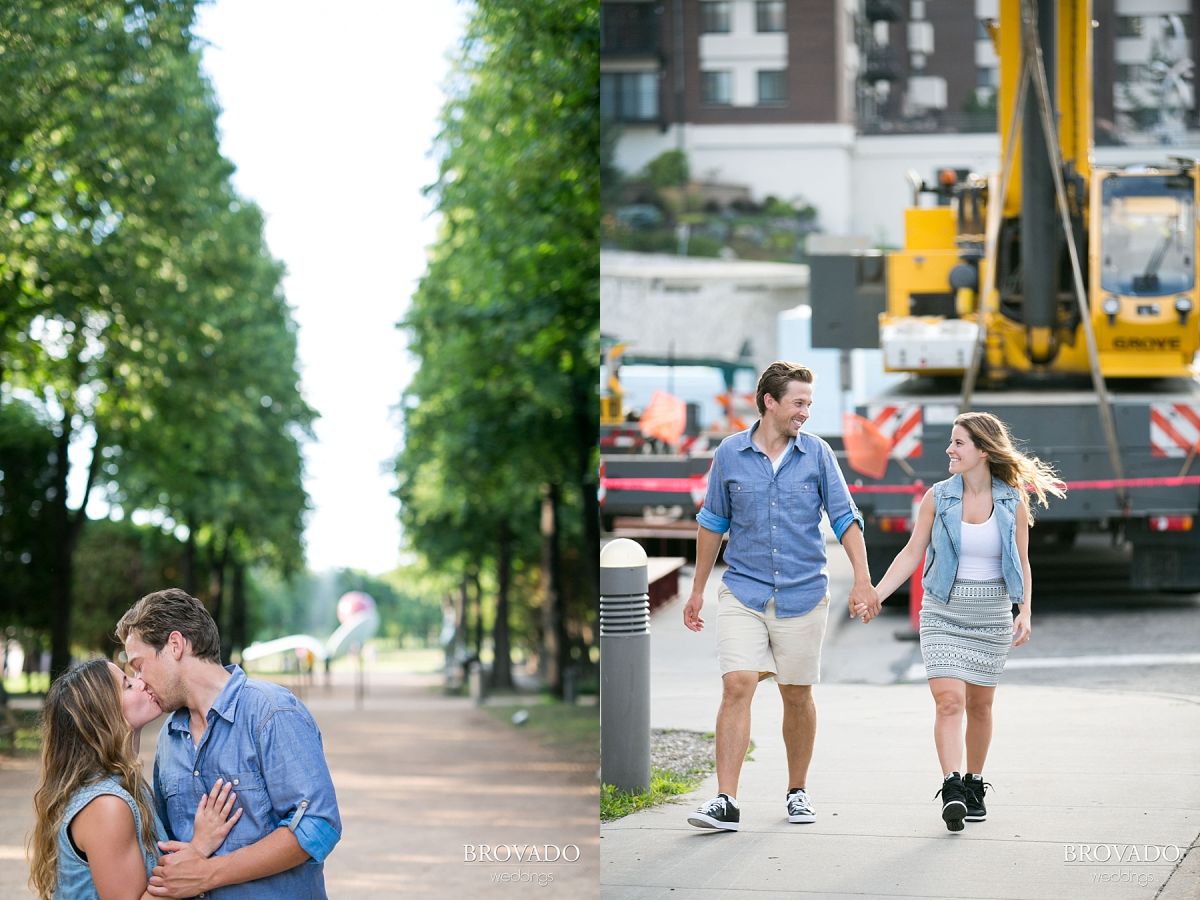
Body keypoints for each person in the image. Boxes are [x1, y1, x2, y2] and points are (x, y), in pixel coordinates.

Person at [682, 361, 879, 831]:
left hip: (802, 592)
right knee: (738, 684)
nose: (805, 413)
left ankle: (797, 791)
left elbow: (845, 518)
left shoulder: (817, 454)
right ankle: (725, 800)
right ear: (770, 402)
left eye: (808, 403)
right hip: (744, 588)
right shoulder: (730, 453)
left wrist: (863, 580)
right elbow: (712, 523)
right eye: (799, 403)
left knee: (796, 694)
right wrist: (696, 590)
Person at [869, 412, 1064, 832]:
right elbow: (910, 552)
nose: (949, 450)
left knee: (980, 705)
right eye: (951, 442)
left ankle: (975, 782)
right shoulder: (938, 497)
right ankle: (952, 785)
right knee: (949, 701)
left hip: (992, 613)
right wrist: (876, 595)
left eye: (958, 443)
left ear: (983, 450)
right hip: (943, 611)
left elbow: (1022, 560)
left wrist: (1024, 610)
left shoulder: (1012, 498)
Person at [116, 588, 342, 898]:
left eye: (139, 665)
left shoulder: (271, 712)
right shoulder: (170, 737)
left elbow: (318, 826)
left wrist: (209, 874)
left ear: (175, 644)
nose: (139, 680)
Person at [27, 658, 242, 899]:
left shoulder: (124, 784)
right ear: (102, 716)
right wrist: (199, 849)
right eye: (127, 685)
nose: (141, 682)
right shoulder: (106, 805)